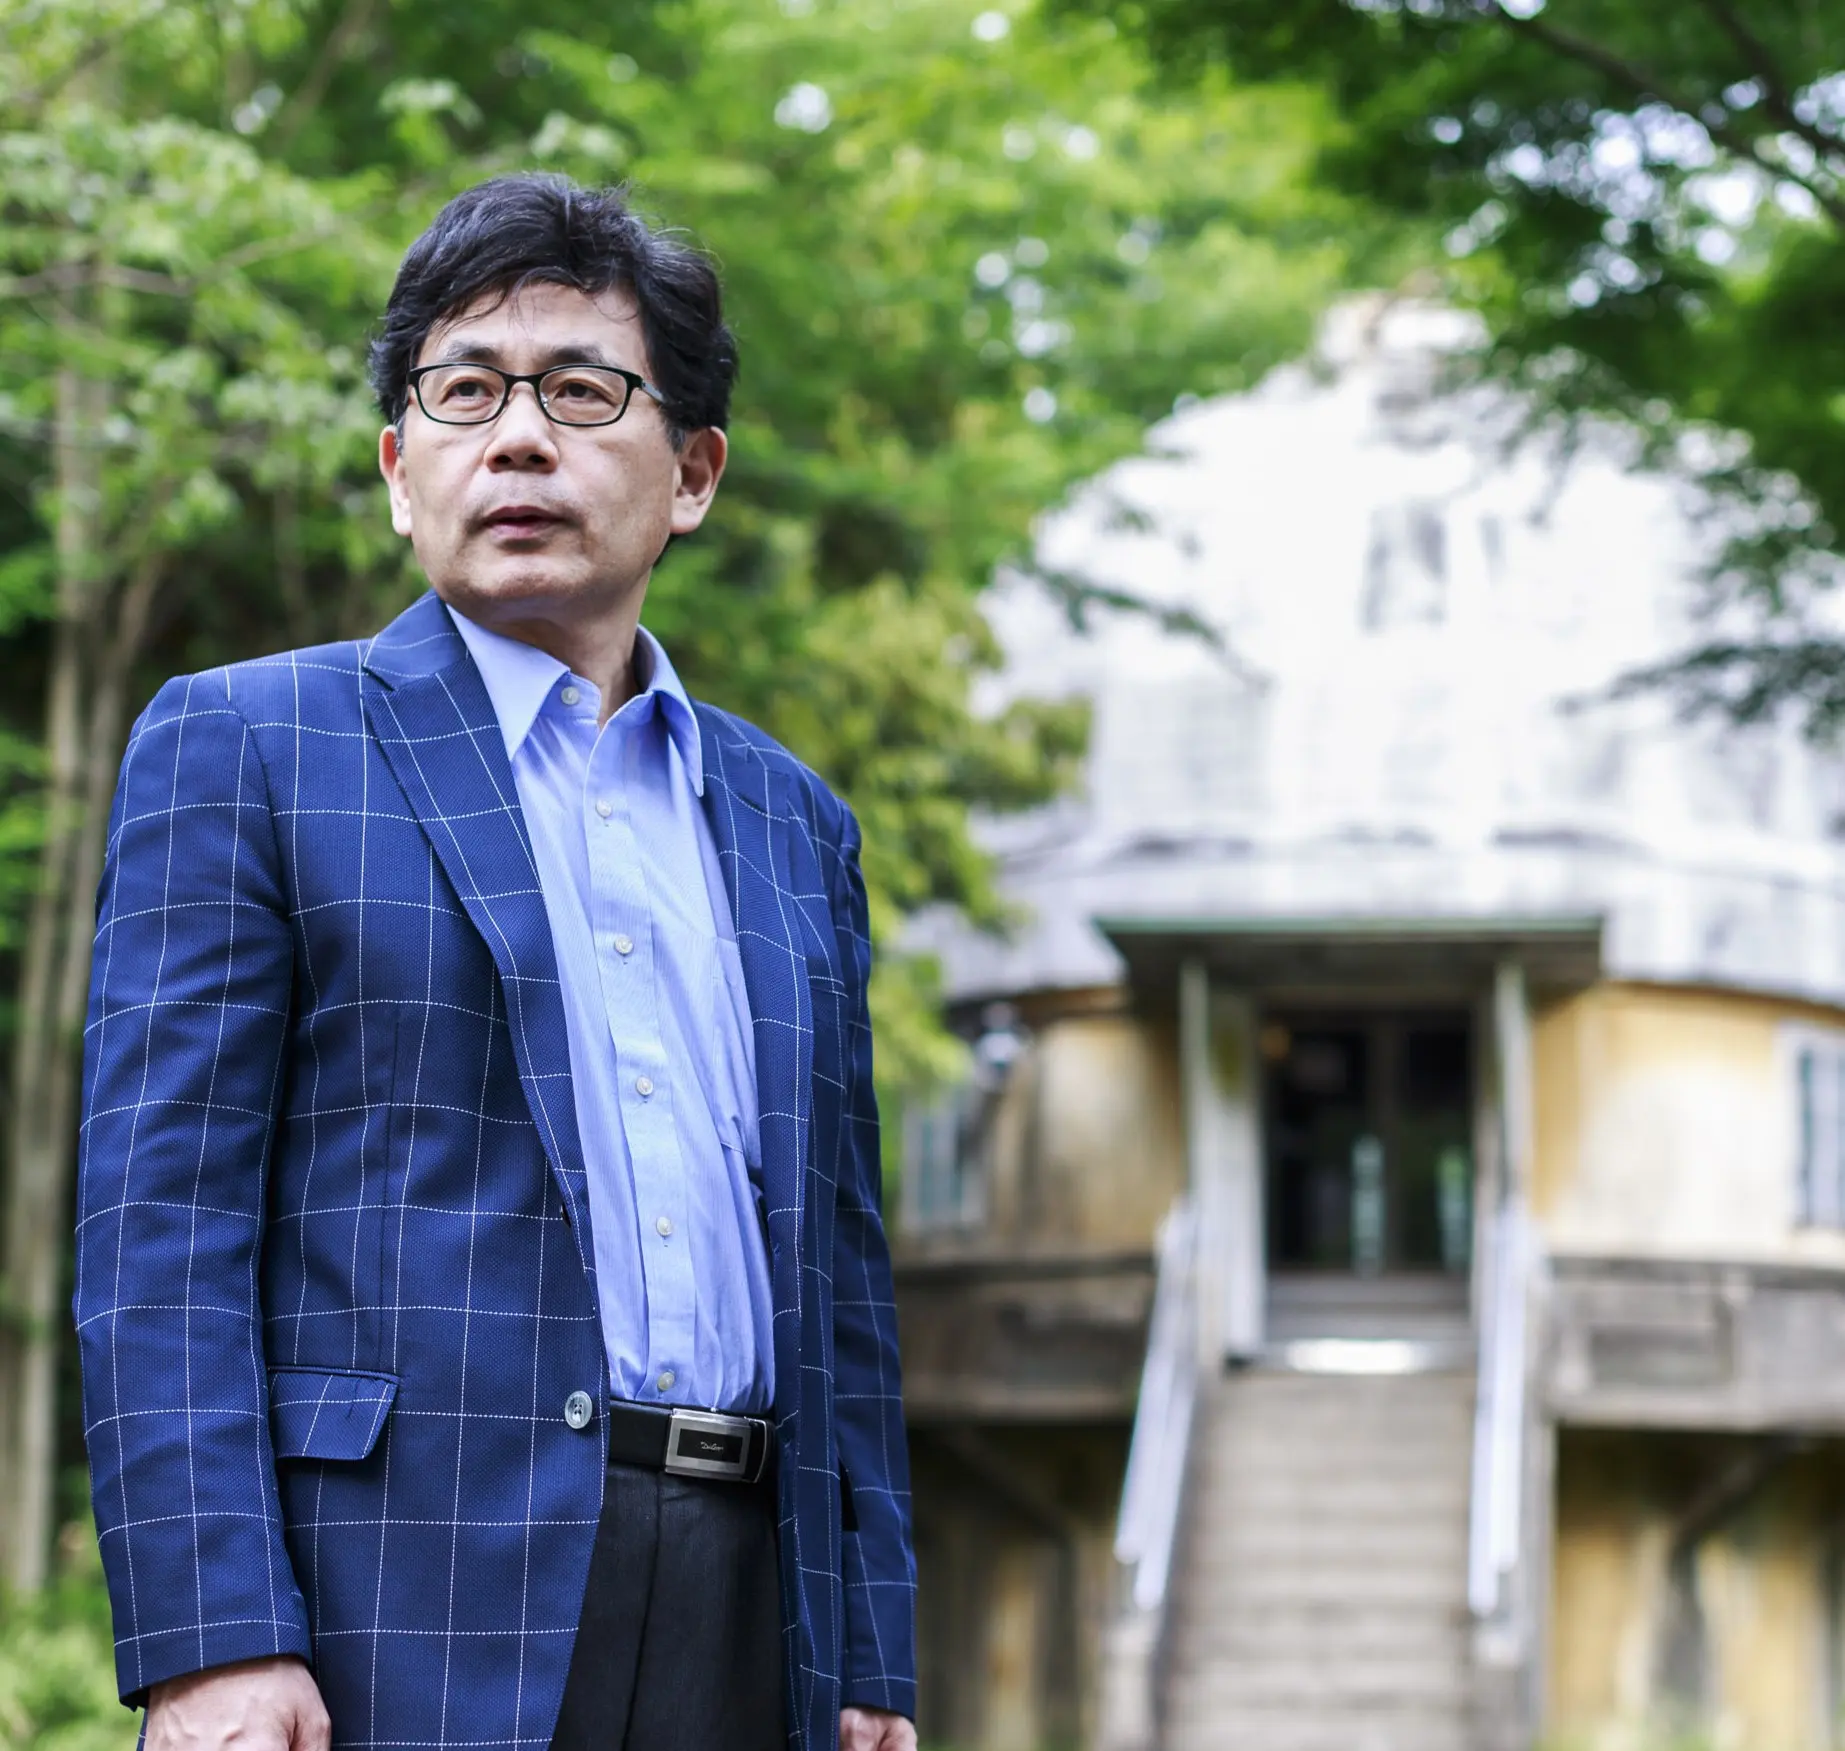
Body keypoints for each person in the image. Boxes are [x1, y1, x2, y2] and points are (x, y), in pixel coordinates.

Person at [73, 173, 916, 1751]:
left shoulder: (795, 822)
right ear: (402, 472)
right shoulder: (250, 744)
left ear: (693, 473)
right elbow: (161, 1235)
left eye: (582, 391)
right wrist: (213, 1640)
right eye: (464, 392)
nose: (518, 437)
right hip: (392, 1599)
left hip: (755, 1601)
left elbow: (841, 1276)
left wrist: (870, 1657)